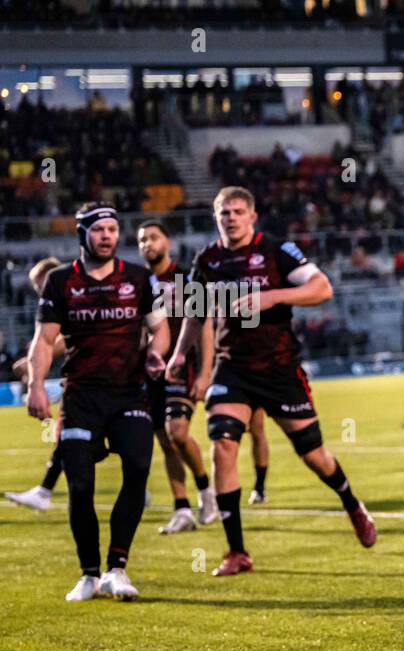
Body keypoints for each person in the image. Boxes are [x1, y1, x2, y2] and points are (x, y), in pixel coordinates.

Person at [168, 186, 376, 577]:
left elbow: (322, 288)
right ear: (216, 218)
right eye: (223, 212)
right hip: (232, 368)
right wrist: (180, 354)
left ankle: (351, 503)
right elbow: (195, 314)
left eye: (236, 211)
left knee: (314, 456)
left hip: (280, 369)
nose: (230, 217)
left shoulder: (277, 250)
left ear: (252, 215)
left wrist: (273, 297)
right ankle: (237, 552)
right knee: (223, 447)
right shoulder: (207, 259)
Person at [25, 204, 170, 601]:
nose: (107, 235)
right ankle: (89, 574)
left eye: (112, 229)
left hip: (129, 393)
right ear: (82, 234)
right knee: (81, 485)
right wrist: (37, 385)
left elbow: (160, 329)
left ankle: (116, 569)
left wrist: (158, 353)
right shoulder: (59, 282)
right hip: (82, 396)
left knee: (138, 466)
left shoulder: (139, 279)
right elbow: (43, 340)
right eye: (98, 229)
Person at [136, 220, 219, 534]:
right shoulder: (137, 282)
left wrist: (204, 372)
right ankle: (182, 509)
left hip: (184, 367)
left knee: (178, 432)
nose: (148, 244)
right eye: (143, 239)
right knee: (165, 441)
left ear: (167, 241)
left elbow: (205, 325)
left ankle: (205, 491)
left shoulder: (187, 277)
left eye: (153, 238)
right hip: (151, 372)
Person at [6, 257, 71, 513]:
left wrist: (32, 365)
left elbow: (68, 339)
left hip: (98, 378)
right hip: (82, 377)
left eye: (38, 284)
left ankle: (44, 492)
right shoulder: (60, 299)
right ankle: (44, 491)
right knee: (74, 435)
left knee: (75, 434)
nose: (38, 291)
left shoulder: (68, 295)